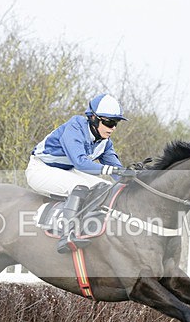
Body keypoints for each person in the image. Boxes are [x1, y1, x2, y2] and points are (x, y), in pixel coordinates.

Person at [26, 93, 137, 254]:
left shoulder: (105, 142)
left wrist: (134, 177)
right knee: (81, 187)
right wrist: (113, 170)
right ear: (93, 118)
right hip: (41, 169)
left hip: (67, 170)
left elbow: (117, 172)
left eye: (116, 123)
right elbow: (80, 162)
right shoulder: (75, 127)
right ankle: (67, 235)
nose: (112, 128)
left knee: (107, 188)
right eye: (109, 122)